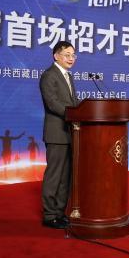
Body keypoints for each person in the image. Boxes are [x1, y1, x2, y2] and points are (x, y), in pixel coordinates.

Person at [39, 40, 79, 229]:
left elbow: (73, 102)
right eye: (67, 55)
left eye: (73, 55)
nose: (71, 58)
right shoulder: (49, 75)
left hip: (70, 133)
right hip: (56, 133)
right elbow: (52, 103)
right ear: (56, 56)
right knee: (54, 175)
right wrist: (73, 114)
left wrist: (81, 113)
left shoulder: (68, 76)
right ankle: (49, 215)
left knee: (65, 176)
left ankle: (60, 212)